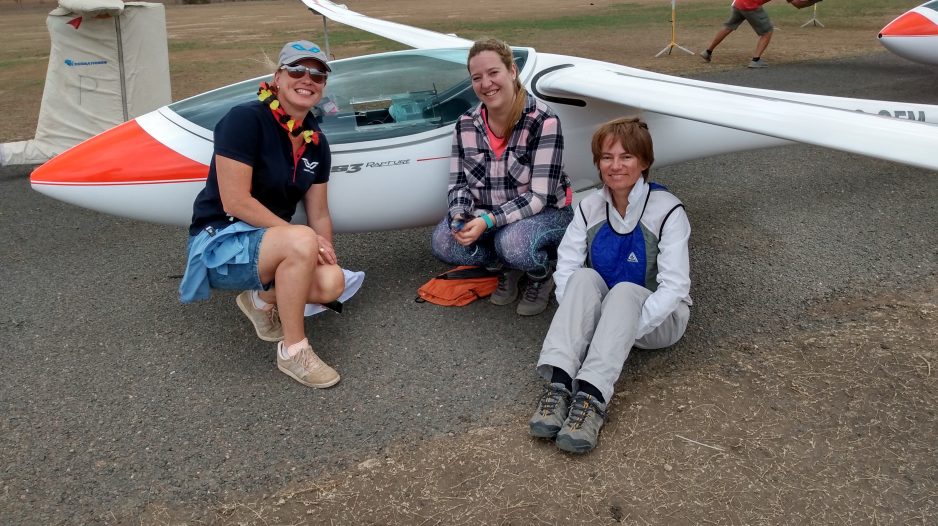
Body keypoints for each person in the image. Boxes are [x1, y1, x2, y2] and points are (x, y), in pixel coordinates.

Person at [179, 40, 345, 389]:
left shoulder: (317, 142)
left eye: (318, 75)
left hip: (270, 242)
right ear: (277, 78)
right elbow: (235, 202)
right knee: (301, 238)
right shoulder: (245, 120)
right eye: (297, 70)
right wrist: (304, 239)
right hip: (220, 240)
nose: (307, 79)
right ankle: (293, 351)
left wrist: (324, 251)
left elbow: (319, 213)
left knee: (332, 283)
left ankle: (259, 300)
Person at [529, 118, 692, 454]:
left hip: (660, 321)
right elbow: (567, 267)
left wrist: (619, 331)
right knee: (581, 277)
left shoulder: (668, 210)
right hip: (609, 314)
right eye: (607, 157)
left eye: (626, 156)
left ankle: (591, 398)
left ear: (644, 162)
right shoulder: (589, 207)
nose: (615, 165)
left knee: (624, 291)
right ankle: (559, 385)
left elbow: (674, 287)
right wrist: (586, 321)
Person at [430, 38, 574, 316]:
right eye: (477, 77)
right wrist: (460, 216)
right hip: (490, 215)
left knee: (513, 243)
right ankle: (505, 266)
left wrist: (487, 222)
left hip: (546, 213)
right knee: (443, 241)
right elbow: (458, 184)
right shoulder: (465, 124)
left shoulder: (544, 120)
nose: (486, 84)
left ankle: (541, 273)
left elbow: (539, 197)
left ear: (512, 71)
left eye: (493, 72)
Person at [701, 0, 823, 68]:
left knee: (728, 27)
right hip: (750, 6)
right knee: (767, 31)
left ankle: (708, 51)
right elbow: (798, 5)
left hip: (738, 3)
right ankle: (755, 60)